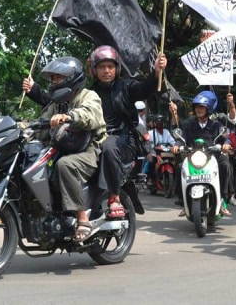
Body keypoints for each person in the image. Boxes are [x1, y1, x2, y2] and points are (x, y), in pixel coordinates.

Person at [89, 45, 168, 219]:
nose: (106, 71)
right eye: (102, 67)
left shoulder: (126, 86)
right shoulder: (89, 92)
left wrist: (156, 73)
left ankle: (114, 197)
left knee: (108, 146)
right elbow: (65, 103)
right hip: (94, 140)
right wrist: (34, 91)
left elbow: (144, 90)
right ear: (94, 70)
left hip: (124, 140)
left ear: (117, 68)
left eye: (110, 66)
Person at [38, 56, 106, 242]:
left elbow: (90, 115)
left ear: (72, 78)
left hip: (88, 150)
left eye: (57, 78)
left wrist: (68, 117)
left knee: (65, 165)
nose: (53, 82)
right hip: (63, 147)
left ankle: (82, 219)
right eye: (52, 78)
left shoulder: (88, 96)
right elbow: (41, 122)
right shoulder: (56, 103)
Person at [171, 90, 233, 216]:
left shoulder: (216, 125)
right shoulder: (189, 124)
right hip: (193, 157)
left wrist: (226, 144)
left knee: (225, 165)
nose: (199, 109)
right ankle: (184, 202)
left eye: (202, 107)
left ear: (208, 108)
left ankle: (223, 200)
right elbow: (180, 137)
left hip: (213, 157)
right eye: (197, 107)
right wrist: (177, 146)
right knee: (179, 167)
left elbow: (226, 137)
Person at [142, 114, 177, 183]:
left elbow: (172, 142)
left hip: (166, 153)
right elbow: (146, 143)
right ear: (155, 123)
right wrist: (149, 152)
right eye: (158, 122)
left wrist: (175, 146)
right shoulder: (150, 133)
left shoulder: (166, 132)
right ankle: (151, 179)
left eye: (161, 122)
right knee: (151, 161)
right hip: (155, 153)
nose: (159, 124)